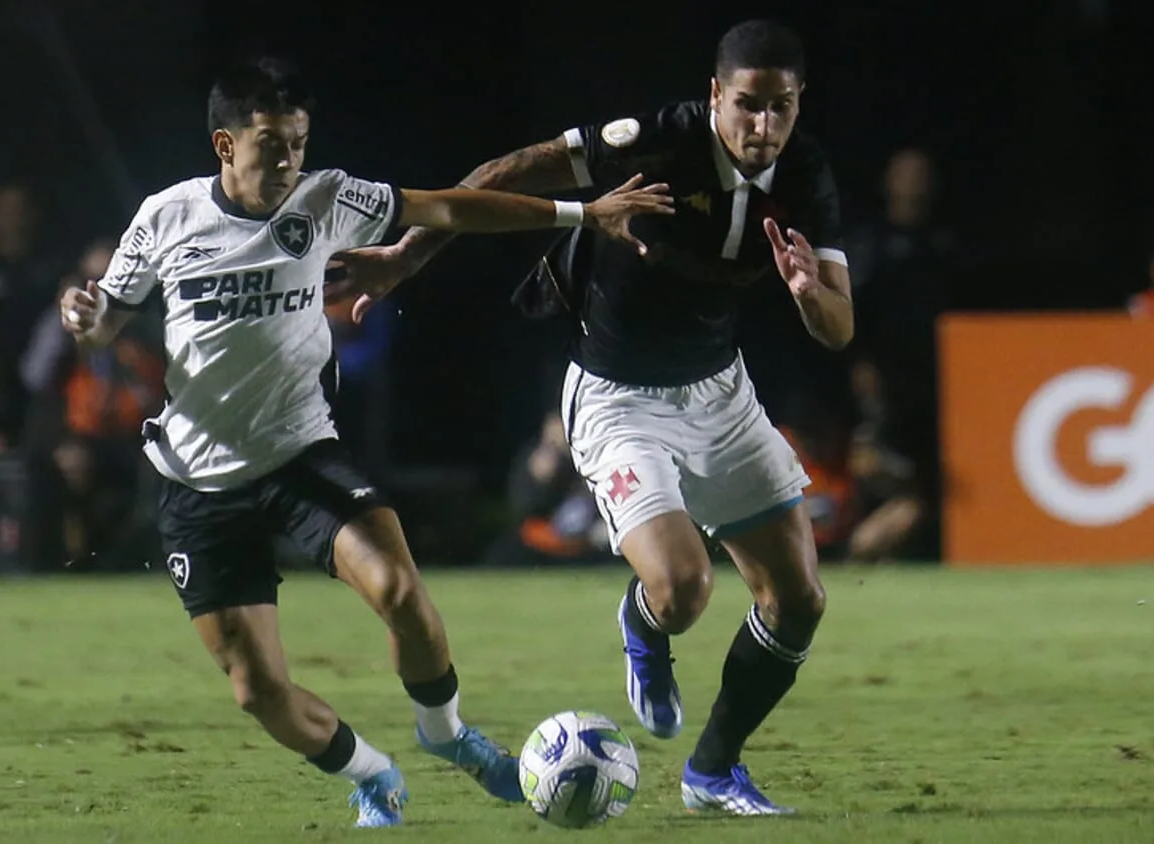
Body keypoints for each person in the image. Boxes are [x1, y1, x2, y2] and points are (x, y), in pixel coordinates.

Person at [58, 56, 672, 829]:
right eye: (270, 145)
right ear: (224, 146)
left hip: (301, 453)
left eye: (298, 142)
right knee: (257, 691)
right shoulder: (166, 218)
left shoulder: (324, 198)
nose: (288, 160)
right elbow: (103, 324)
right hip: (198, 482)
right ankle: (370, 772)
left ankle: (448, 736)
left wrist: (579, 214)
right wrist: (81, 318)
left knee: (401, 594)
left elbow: (449, 209)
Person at [337, 19, 852, 815]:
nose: (763, 126)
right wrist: (405, 258)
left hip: (721, 392)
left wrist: (806, 291)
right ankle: (644, 624)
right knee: (683, 588)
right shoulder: (653, 141)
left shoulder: (807, 174)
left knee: (800, 599)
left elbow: (838, 327)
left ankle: (713, 771)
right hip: (618, 397)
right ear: (715, 96)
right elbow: (500, 172)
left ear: (799, 103)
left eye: (781, 107)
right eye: (747, 105)